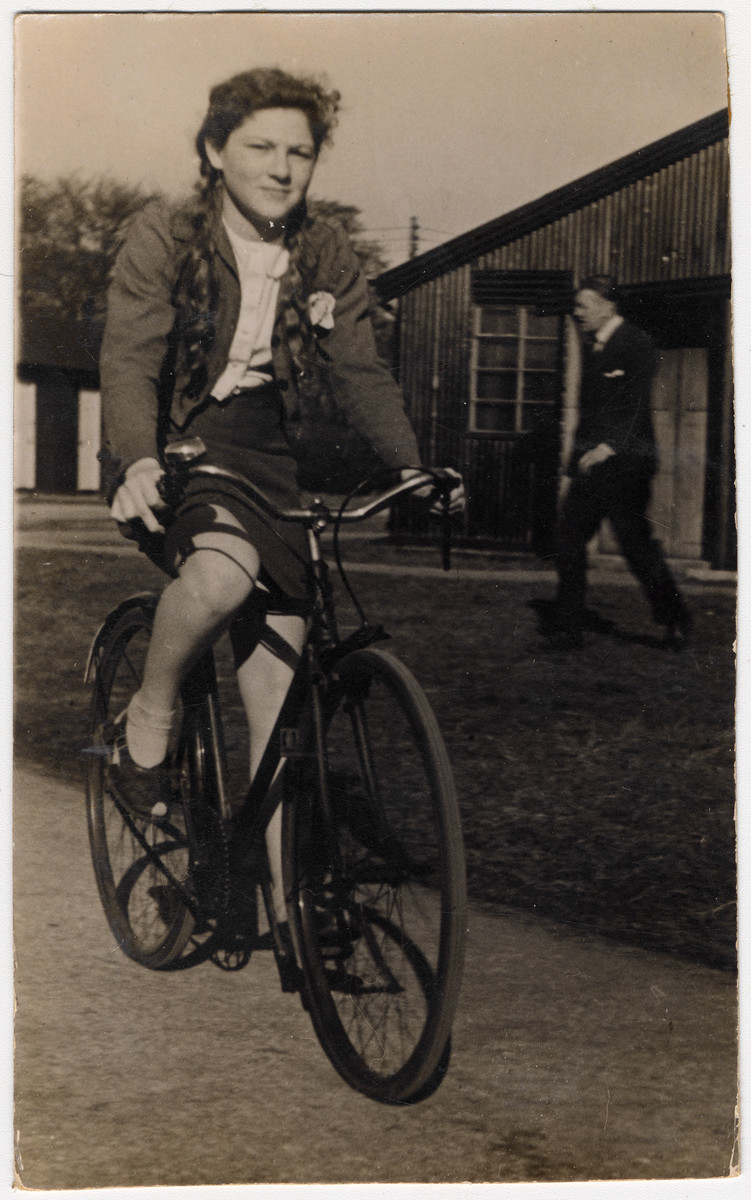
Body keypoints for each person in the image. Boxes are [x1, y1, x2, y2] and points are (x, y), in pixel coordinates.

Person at [99, 67, 463, 922]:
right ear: (215, 149)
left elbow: (359, 369)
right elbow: (128, 360)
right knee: (221, 579)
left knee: (281, 704)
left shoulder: (324, 249)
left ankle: (282, 903)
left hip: (270, 456)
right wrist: (137, 459)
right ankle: (146, 719)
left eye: (300, 152)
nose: (281, 167)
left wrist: (410, 465)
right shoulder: (165, 233)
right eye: (260, 146)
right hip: (184, 441)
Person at [536, 274, 690, 653]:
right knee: (569, 540)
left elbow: (635, 405)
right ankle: (568, 631)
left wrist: (608, 447)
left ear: (608, 305)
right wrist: (575, 462)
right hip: (591, 465)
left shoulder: (637, 343)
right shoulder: (594, 347)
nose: (576, 313)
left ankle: (675, 617)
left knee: (635, 545)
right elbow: (591, 415)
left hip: (626, 465)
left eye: (583, 306)